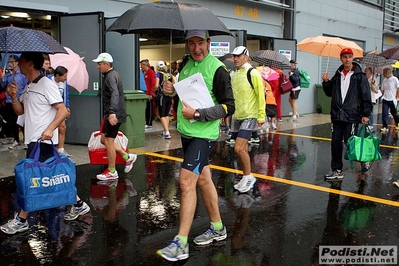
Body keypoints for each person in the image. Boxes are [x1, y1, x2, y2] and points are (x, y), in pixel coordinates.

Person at [156, 30, 235, 261]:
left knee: (185, 182)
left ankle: (181, 243)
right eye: (191, 43)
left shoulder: (218, 69)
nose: (196, 48)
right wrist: (169, 91)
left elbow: (229, 107)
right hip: (187, 132)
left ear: (208, 43)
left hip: (205, 135)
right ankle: (218, 227)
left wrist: (199, 113)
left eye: (200, 43)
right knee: (203, 179)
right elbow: (184, 96)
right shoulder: (186, 64)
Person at [0, 52, 90, 234]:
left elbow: (63, 110)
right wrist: (14, 97)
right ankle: (78, 204)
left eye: (21, 61)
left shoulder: (46, 84)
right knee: (50, 177)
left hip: (42, 140)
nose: (17, 64)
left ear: (31, 64)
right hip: (34, 139)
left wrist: (49, 129)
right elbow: (21, 112)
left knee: (30, 180)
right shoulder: (29, 86)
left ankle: (22, 220)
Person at [321, 48, 372, 180]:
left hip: (352, 115)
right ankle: (337, 170)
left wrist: (365, 114)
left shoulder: (359, 76)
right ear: (341, 58)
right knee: (336, 143)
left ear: (352, 58)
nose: (347, 59)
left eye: (349, 57)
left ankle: (363, 160)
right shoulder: (338, 75)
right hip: (338, 115)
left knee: (352, 144)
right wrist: (326, 82)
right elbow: (329, 92)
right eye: (345, 57)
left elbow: (366, 95)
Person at [93, 53, 137, 181]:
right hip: (113, 113)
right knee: (104, 140)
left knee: (109, 142)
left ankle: (112, 171)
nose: (97, 66)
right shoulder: (112, 75)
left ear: (107, 64)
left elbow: (115, 94)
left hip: (114, 114)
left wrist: (112, 112)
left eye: (99, 64)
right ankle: (127, 157)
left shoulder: (110, 77)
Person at [229, 46, 265, 193]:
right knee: (241, 149)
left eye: (238, 56)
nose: (235, 59)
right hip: (237, 116)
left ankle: (249, 176)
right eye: (234, 56)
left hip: (250, 115)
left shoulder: (253, 73)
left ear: (246, 56)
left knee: (238, 147)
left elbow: (260, 94)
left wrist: (261, 115)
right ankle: (246, 176)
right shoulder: (235, 74)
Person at [0, 55, 29, 149]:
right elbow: (3, 86)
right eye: (9, 62)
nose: (10, 64)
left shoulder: (22, 75)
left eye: (11, 62)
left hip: (20, 100)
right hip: (9, 100)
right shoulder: (8, 75)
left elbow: (26, 86)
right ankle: (16, 139)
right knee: (12, 122)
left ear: (17, 63)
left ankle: (26, 140)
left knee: (22, 121)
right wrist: (2, 79)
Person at [51, 66, 72, 157]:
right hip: (50, 109)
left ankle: (61, 149)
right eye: (64, 76)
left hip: (61, 107)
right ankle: (51, 149)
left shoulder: (64, 83)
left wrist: (67, 106)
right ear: (57, 76)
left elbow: (66, 94)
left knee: (62, 127)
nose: (66, 78)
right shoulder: (48, 81)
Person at [155, 61, 175, 139]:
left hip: (161, 96)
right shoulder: (169, 74)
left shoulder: (158, 74)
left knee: (162, 115)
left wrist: (154, 91)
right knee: (166, 114)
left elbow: (156, 85)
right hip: (169, 96)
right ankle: (165, 130)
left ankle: (167, 132)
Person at [379, 67, 399, 133]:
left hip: (392, 99)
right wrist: (382, 96)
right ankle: (385, 126)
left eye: (384, 72)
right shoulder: (384, 80)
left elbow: (398, 89)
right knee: (384, 113)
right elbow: (383, 89)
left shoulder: (394, 79)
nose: (383, 74)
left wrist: (396, 97)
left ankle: (397, 123)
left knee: (394, 113)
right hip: (385, 99)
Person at [140, 59, 156, 129]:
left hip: (149, 93)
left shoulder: (151, 73)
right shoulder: (143, 73)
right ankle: (146, 121)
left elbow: (152, 83)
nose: (141, 67)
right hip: (145, 93)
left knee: (149, 108)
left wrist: (150, 93)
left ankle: (149, 123)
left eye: (142, 65)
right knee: (146, 108)